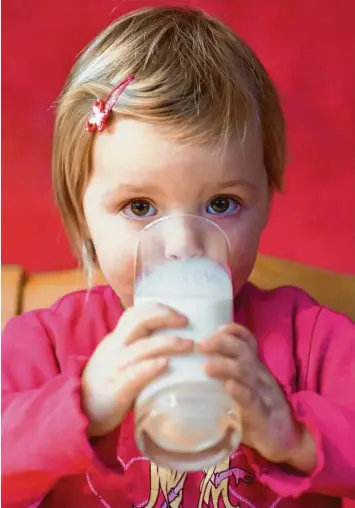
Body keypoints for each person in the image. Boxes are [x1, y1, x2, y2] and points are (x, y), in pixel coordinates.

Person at [2, 6, 354, 508]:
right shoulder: (45, 347)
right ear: (82, 219)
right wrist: (80, 406)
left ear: (267, 205)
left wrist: (295, 435)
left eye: (221, 204)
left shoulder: (313, 343)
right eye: (140, 207)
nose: (184, 245)